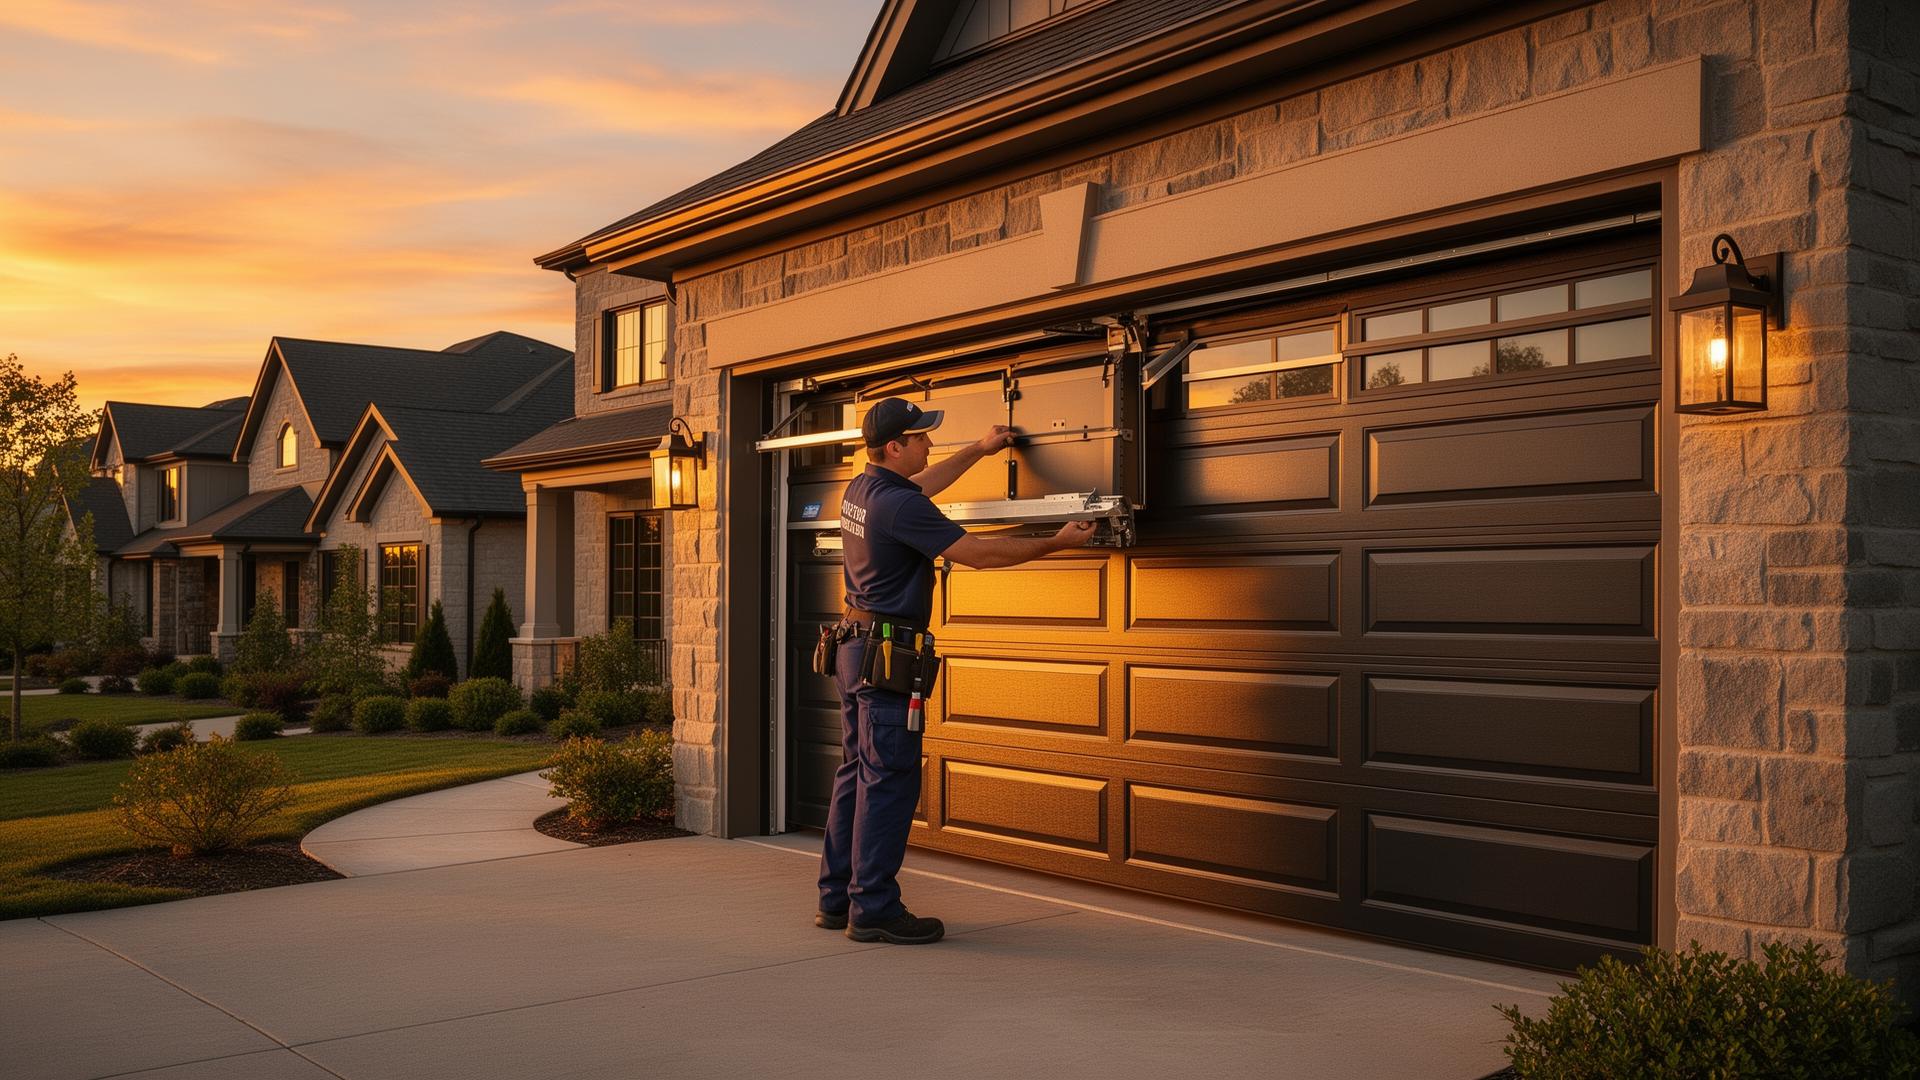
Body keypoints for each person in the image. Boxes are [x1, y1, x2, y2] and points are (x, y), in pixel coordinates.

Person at [817, 397, 1096, 944]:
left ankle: (836, 897)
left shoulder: (865, 487)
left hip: (856, 647)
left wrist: (979, 449)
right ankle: (872, 908)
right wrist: (1057, 543)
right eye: (920, 436)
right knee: (889, 778)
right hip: (887, 656)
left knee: (856, 772)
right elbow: (981, 554)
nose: (929, 443)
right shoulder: (898, 505)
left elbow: (922, 486)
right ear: (895, 446)